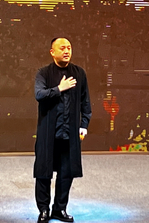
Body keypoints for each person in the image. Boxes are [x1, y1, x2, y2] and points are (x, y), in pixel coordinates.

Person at [34, 37, 92, 223]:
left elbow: (85, 102)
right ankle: (44, 210)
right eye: (62, 48)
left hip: (70, 134)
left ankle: (59, 209)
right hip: (48, 133)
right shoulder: (43, 73)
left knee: (66, 173)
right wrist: (60, 88)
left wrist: (84, 125)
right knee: (43, 173)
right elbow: (39, 94)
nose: (66, 51)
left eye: (69, 48)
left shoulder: (79, 73)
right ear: (52, 52)